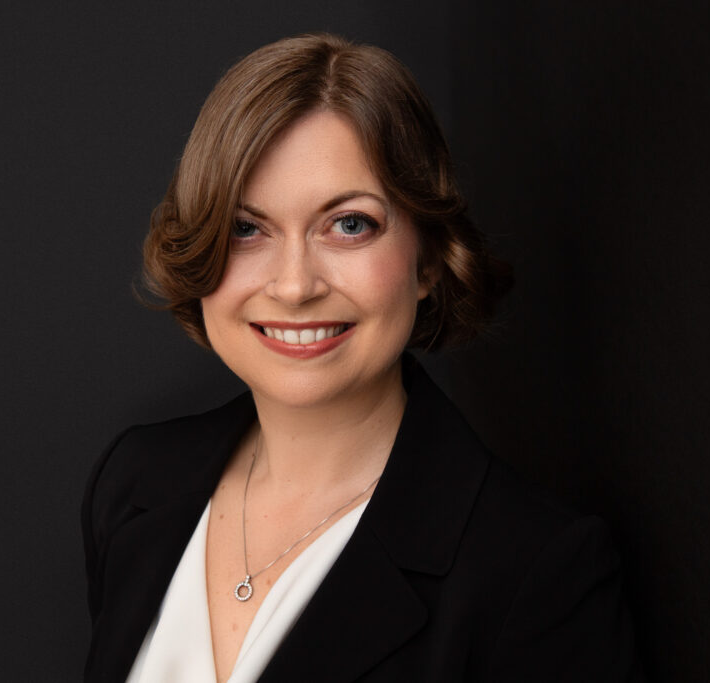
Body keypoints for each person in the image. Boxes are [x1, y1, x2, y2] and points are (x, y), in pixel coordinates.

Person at [83, 34, 640, 682]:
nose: (294, 285)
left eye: (349, 224)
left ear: (429, 257)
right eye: (246, 227)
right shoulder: (135, 484)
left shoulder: (534, 571)